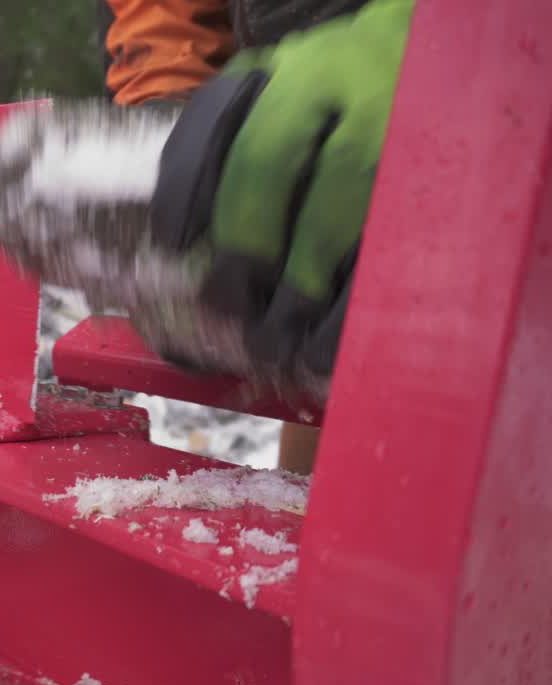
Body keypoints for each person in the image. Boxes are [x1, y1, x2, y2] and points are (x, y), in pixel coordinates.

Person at [101, 0, 414, 472]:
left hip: (483, 108)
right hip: (301, 155)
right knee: (319, 510)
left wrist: (454, 33)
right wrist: (171, 93)